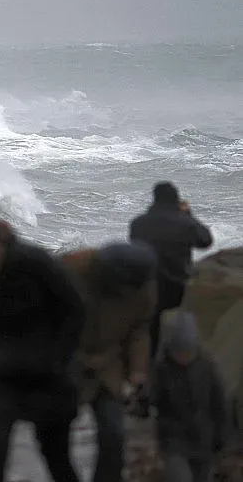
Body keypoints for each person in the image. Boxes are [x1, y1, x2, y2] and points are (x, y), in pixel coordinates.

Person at [0, 213, 86, 482]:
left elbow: (75, 310)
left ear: (0, 244)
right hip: (1, 374)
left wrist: (59, 358)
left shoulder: (35, 262)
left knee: (57, 457)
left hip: (48, 375)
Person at [61, 241, 158, 482]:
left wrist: (137, 371)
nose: (126, 295)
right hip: (66, 361)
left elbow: (139, 331)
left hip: (108, 366)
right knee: (56, 434)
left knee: (113, 432)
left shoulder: (143, 288)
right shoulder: (72, 271)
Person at [129, 181, 213, 356]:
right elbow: (205, 241)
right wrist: (188, 214)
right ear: (176, 200)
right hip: (178, 288)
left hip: (149, 287)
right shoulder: (185, 223)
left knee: (151, 334)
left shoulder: (137, 224)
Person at [152, 309, 228, 482]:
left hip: (204, 440)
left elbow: (219, 404)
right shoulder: (163, 369)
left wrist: (221, 438)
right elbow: (154, 399)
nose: (183, 358)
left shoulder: (207, 367)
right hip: (174, 439)